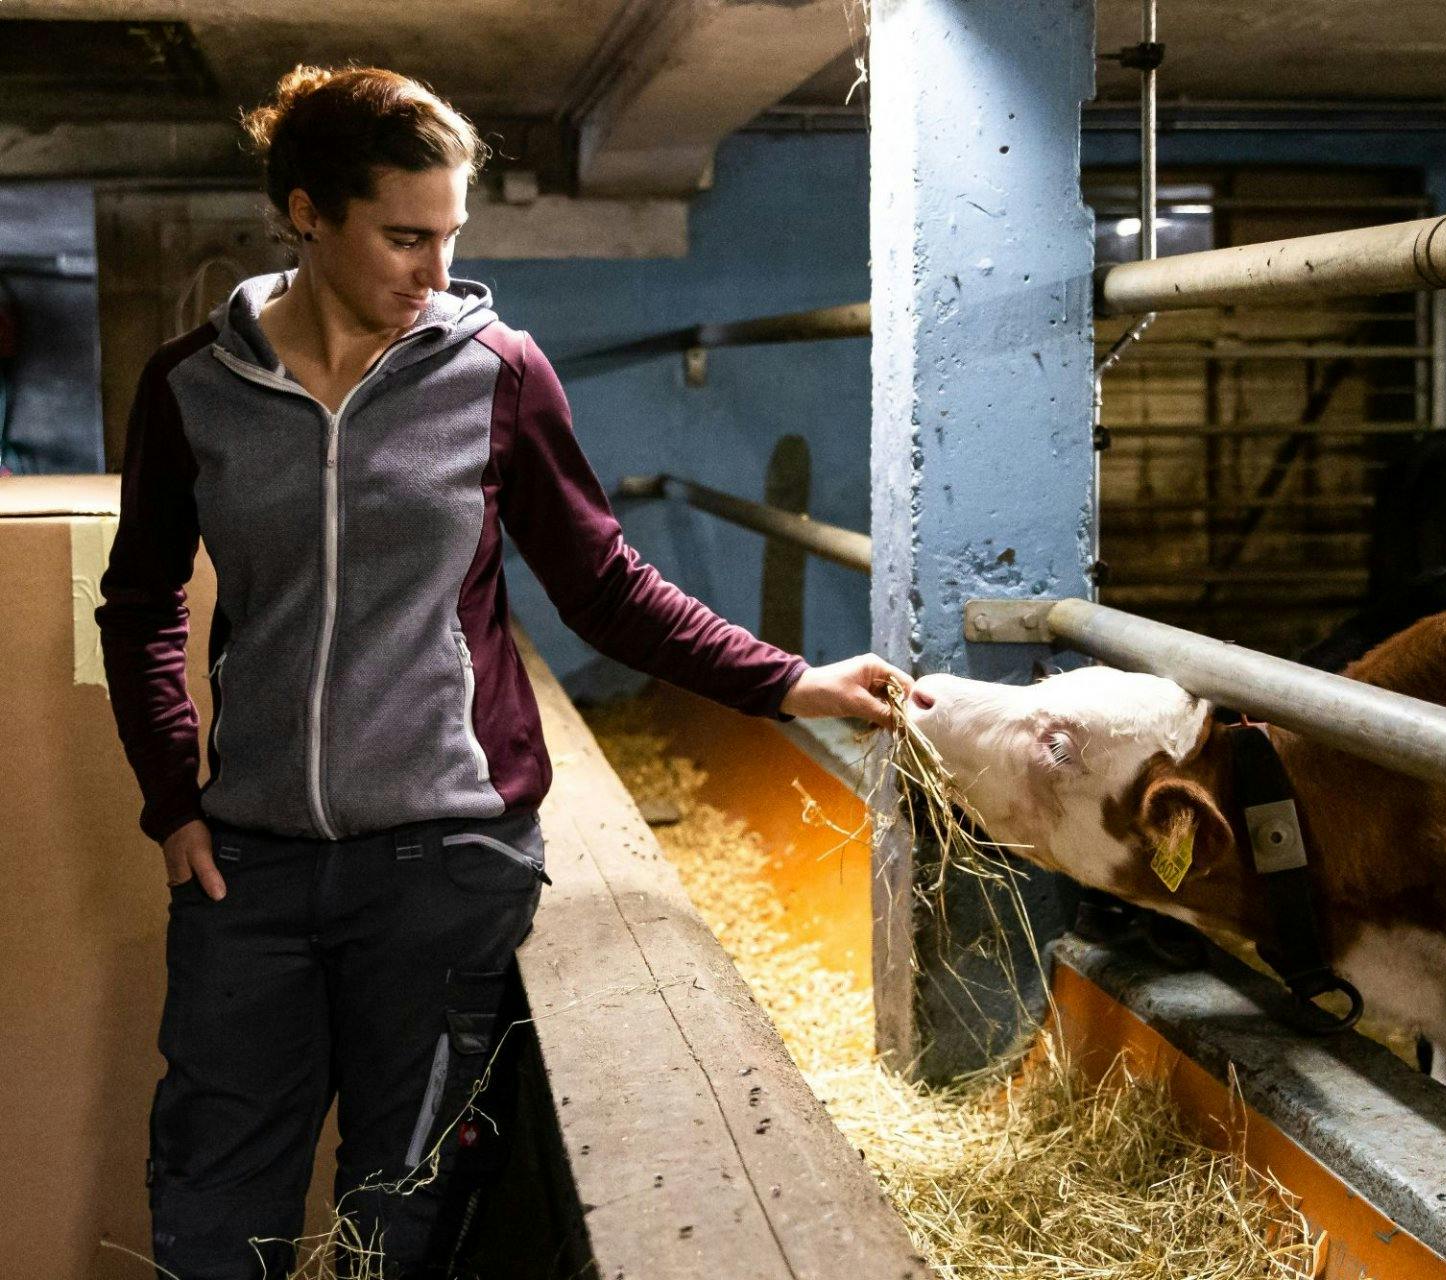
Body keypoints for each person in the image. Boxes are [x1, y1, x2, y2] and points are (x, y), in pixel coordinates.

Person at [95, 64, 911, 1280]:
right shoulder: (192, 390)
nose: (436, 271)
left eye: (452, 236)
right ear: (308, 213)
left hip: (446, 859)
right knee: (215, 1208)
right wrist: (173, 798)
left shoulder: (497, 372)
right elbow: (141, 605)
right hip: (250, 867)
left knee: (404, 1218)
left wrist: (789, 681)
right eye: (404, 237)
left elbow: (606, 586)